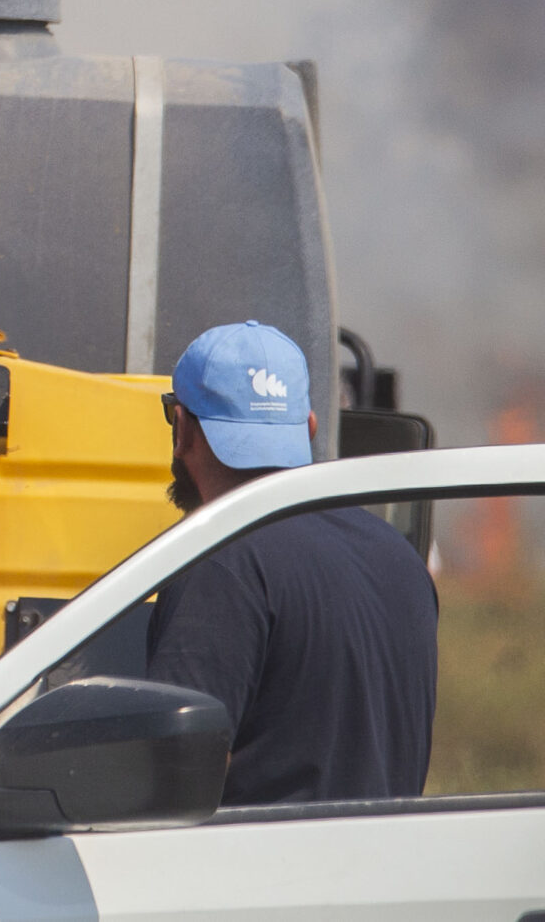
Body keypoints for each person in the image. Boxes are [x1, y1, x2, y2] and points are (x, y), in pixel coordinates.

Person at [143, 320, 438, 807]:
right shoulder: (400, 557)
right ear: (309, 427)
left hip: (266, 877)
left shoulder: (222, 561)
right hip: (392, 875)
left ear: (181, 428)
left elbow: (171, 774)